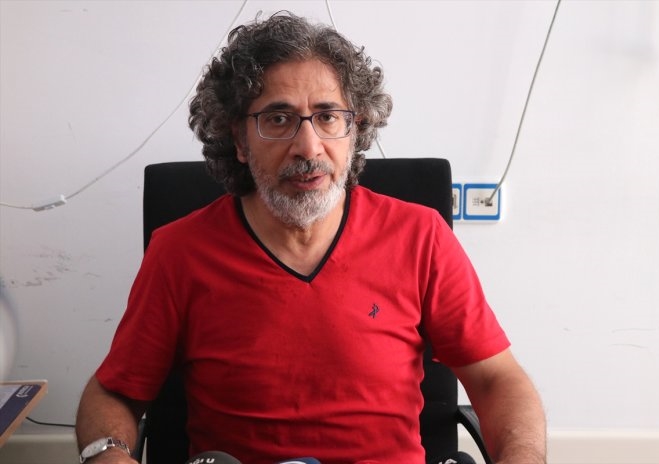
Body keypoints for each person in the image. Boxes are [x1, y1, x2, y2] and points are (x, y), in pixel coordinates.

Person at [75, 12, 546, 464]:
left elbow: (496, 378)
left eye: (328, 117)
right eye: (278, 119)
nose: (308, 147)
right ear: (239, 140)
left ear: (354, 129)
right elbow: (115, 391)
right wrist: (109, 454)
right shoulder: (179, 252)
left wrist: (522, 456)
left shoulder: (421, 237)